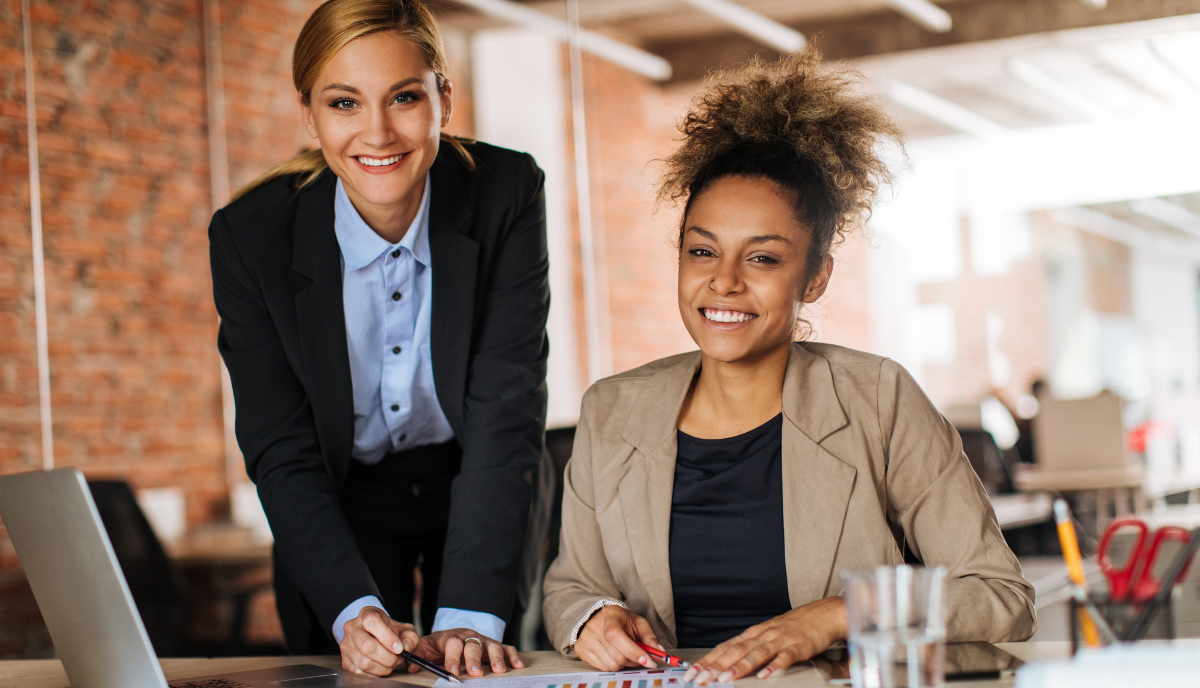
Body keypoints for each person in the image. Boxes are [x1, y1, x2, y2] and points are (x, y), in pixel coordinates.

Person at [541, 47, 1036, 683]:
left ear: (816, 275)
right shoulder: (611, 409)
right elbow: (571, 587)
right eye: (702, 251)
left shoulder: (876, 398)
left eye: (764, 259)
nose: (723, 282)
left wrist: (837, 615)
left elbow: (999, 596)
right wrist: (594, 618)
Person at [209, 0, 547, 678]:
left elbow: (505, 410)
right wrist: (348, 607)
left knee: (479, 667)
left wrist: (470, 615)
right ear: (308, 113)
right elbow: (281, 444)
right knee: (356, 671)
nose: (378, 132)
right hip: (342, 496)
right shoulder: (252, 237)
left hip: (470, 481)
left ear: (444, 99)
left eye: (404, 97)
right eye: (344, 103)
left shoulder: (506, 192)